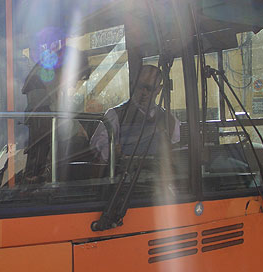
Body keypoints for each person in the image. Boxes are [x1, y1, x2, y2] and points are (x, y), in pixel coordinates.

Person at [22, 39, 90, 182]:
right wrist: (76, 129)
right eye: (75, 78)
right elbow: (45, 124)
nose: (73, 85)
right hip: (41, 158)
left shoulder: (53, 84)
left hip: (47, 155)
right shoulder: (38, 84)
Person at [90, 64, 180, 163]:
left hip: (157, 174)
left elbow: (176, 150)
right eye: (140, 86)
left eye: (149, 88)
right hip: (126, 175)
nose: (144, 92)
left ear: (159, 89)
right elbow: (97, 146)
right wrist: (112, 152)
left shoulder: (169, 119)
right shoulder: (115, 115)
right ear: (134, 84)